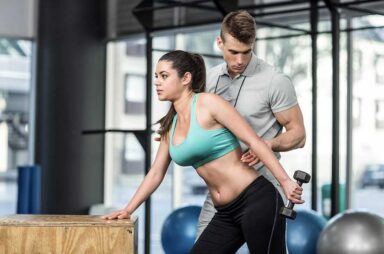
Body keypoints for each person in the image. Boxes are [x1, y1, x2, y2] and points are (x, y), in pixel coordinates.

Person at [102, 50, 304, 253]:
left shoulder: (208, 103)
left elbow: (255, 141)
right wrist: (128, 209)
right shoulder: (169, 126)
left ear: (186, 78)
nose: (157, 82)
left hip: (256, 200)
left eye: (164, 76)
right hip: (226, 212)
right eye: (156, 76)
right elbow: (155, 173)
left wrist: (285, 182)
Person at [198, 10, 306, 239]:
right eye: (233, 52)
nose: (239, 61)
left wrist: (267, 144)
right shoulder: (208, 79)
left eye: (246, 52)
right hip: (222, 189)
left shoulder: (274, 81)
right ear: (220, 43)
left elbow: (298, 135)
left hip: (263, 186)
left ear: (253, 44)